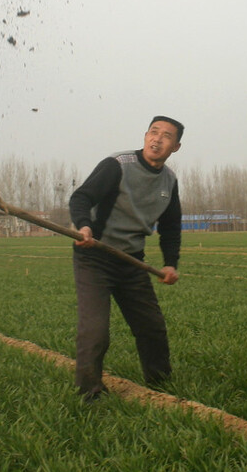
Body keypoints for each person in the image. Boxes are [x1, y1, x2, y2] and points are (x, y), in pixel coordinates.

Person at [68, 116, 184, 402]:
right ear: (145, 136)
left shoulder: (169, 180)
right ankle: (90, 393)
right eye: (153, 132)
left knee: (151, 326)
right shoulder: (117, 165)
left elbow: (171, 226)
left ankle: (161, 382)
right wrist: (83, 225)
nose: (157, 139)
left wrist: (170, 264)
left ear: (176, 146)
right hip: (94, 256)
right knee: (95, 331)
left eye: (166, 136)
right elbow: (81, 197)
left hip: (131, 261)